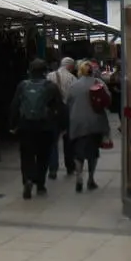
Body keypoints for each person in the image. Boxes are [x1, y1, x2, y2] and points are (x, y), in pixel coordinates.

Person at [10, 58, 63, 199]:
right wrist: (61, 126)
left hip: (26, 126)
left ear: (30, 71)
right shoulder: (51, 86)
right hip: (45, 127)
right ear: (45, 71)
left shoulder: (23, 85)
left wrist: (13, 125)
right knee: (43, 156)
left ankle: (27, 180)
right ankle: (40, 184)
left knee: (26, 155)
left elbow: (15, 106)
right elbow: (60, 107)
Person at [66, 61, 111, 193]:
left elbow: (68, 102)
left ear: (80, 71)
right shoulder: (99, 84)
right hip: (95, 122)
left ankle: (79, 176)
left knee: (78, 152)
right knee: (93, 152)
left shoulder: (74, 85)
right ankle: (90, 179)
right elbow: (108, 100)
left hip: (77, 122)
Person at [46, 56, 77, 179]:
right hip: (67, 111)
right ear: (69, 66)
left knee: (52, 141)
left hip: (52, 112)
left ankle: (53, 169)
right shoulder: (72, 78)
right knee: (68, 140)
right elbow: (74, 97)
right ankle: (70, 167)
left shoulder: (50, 76)